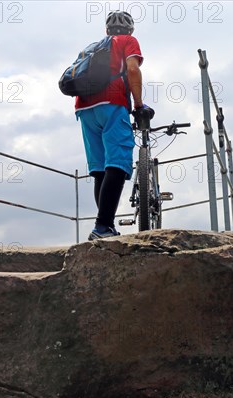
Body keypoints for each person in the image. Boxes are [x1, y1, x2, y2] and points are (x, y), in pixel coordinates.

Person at [75, 11, 153, 240]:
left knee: (101, 168)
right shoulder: (128, 41)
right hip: (112, 103)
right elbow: (132, 69)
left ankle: (104, 226)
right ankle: (102, 226)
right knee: (117, 162)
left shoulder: (92, 46)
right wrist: (139, 105)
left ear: (106, 30)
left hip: (84, 108)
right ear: (130, 30)